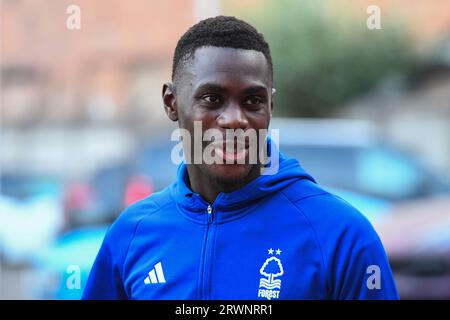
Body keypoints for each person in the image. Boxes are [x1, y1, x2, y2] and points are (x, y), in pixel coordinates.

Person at [82, 16, 399, 300]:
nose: (234, 119)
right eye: (212, 98)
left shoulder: (342, 236)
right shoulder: (132, 234)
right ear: (171, 102)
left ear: (270, 108)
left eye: (252, 100)